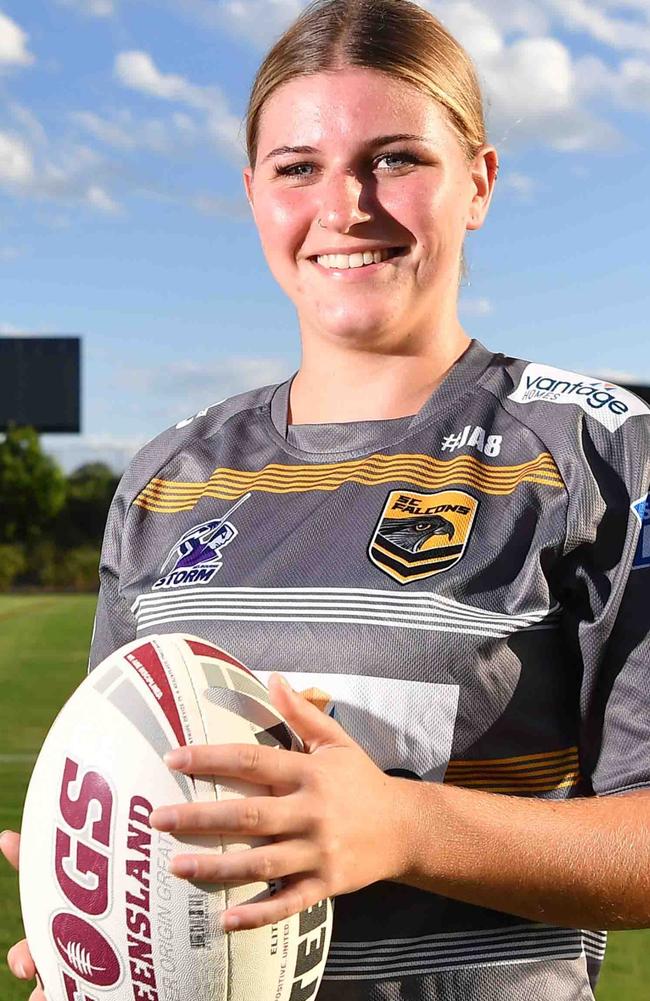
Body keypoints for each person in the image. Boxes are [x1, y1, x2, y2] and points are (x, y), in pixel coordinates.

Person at [3, 1, 650, 998]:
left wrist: (402, 827)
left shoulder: (597, 450)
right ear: (253, 193)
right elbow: (132, 794)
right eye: (297, 166)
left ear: (477, 182)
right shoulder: (169, 477)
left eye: (394, 159)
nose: (344, 206)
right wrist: (86, 934)